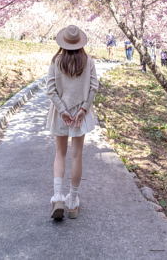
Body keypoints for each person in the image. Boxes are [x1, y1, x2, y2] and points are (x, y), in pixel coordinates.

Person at [46, 25, 99, 221]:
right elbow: (94, 87)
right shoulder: (88, 61)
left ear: (63, 43)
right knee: (77, 155)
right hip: (80, 114)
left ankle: (58, 197)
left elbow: (50, 89)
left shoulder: (56, 61)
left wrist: (62, 110)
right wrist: (83, 109)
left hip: (62, 112)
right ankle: (72, 201)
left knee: (60, 153)